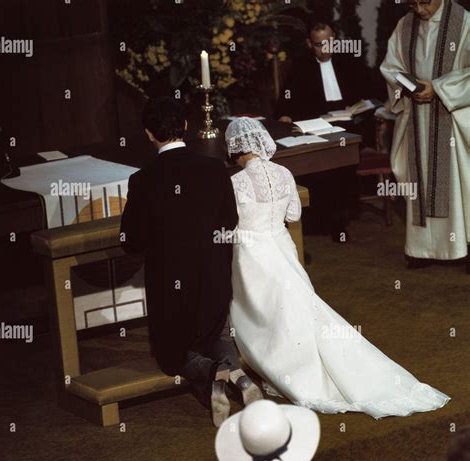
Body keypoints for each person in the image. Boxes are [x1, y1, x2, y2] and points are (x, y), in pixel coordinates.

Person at [225, 117, 450, 420]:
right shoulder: (284, 173)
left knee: (262, 312)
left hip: (252, 255)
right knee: (298, 307)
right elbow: (293, 216)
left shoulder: (235, 183)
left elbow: (229, 223)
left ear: (235, 149)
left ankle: (276, 363)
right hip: (283, 250)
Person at [120, 97, 262, 427]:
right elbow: (230, 222)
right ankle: (238, 376)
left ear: (149, 134)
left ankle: (216, 372)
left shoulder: (142, 180)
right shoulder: (214, 169)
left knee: (171, 356)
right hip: (213, 281)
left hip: (170, 290)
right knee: (216, 333)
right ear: (185, 127)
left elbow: (131, 242)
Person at [380, 0, 469, 271]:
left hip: (451, 118)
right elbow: (390, 67)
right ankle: (421, 248)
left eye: (424, 2)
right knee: (420, 182)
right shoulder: (405, 25)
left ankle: (462, 246)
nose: (419, 9)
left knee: (460, 183)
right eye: (413, 2)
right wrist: (409, 86)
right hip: (417, 120)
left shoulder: (463, 22)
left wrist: (440, 88)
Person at [275, 18, 367, 243]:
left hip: (348, 121)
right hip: (316, 124)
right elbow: (287, 98)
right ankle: (323, 219)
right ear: (309, 44)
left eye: (329, 43)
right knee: (322, 162)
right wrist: (285, 114)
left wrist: (358, 108)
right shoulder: (301, 66)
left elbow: (365, 90)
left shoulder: (349, 60)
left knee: (344, 151)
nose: (325, 49)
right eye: (318, 44)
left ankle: (341, 216)